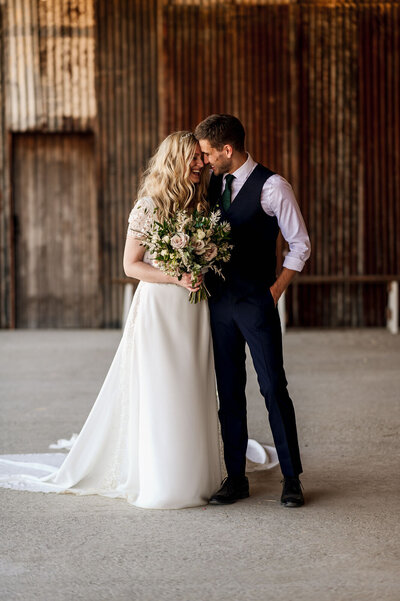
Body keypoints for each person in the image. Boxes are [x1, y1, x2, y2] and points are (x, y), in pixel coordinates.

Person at [0, 132, 223, 509]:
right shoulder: (148, 206)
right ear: (174, 161)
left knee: (193, 384)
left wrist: (200, 267)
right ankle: (164, 479)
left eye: (202, 158)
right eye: (193, 158)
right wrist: (176, 276)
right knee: (163, 388)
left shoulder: (199, 205)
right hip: (160, 309)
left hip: (193, 310)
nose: (200, 163)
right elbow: (130, 265)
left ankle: (198, 473)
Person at [194, 114, 311, 507]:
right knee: (228, 392)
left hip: (256, 304)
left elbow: (300, 246)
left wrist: (275, 291)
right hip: (218, 305)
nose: (205, 160)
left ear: (228, 150)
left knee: (272, 387)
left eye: (209, 153)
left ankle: (292, 478)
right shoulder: (212, 183)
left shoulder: (273, 187)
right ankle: (236, 479)